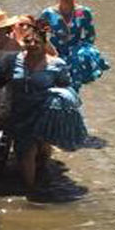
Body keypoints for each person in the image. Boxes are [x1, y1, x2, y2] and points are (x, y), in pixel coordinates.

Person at [9, 15, 87, 187]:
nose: (33, 46)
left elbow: (66, 85)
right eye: (28, 42)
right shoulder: (14, 60)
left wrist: (59, 97)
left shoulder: (57, 64)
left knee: (41, 148)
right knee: (25, 151)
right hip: (20, 110)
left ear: (44, 43)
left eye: (37, 42)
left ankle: (43, 176)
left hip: (44, 111)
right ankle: (30, 188)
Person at [36, 0, 108, 91]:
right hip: (56, 53)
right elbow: (39, 36)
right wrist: (51, 54)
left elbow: (90, 37)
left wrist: (80, 52)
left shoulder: (84, 12)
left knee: (73, 87)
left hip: (76, 55)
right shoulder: (48, 14)